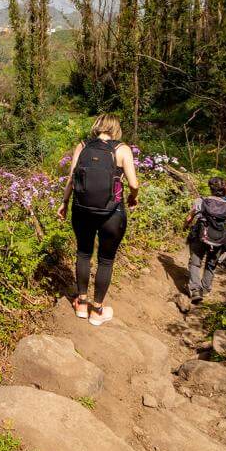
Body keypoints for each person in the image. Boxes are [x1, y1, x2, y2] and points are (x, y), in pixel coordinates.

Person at [59, 113, 140, 325]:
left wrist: (64, 203)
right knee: (106, 259)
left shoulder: (83, 146)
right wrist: (133, 197)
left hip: (81, 209)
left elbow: (71, 178)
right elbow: (134, 184)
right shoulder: (122, 149)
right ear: (116, 128)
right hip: (112, 213)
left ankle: (82, 305)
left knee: (83, 253)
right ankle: (97, 311)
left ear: (98, 126)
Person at [185, 176, 226, 303]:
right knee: (211, 265)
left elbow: (189, 218)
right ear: (225, 191)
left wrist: (185, 226)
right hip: (219, 240)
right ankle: (206, 289)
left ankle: (195, 290)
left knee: (195, 263)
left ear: (211, 188)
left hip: (200, 237)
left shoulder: (201, 201)